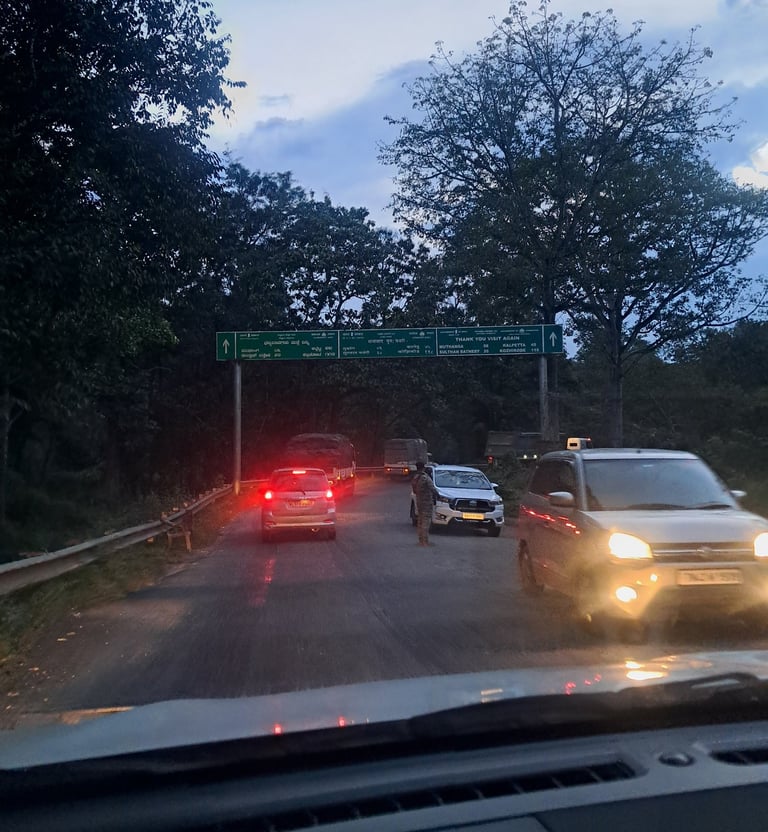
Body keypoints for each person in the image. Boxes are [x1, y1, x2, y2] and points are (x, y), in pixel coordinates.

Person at [411, 461, 438, 546]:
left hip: (419, 501)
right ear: (423, 467)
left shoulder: (415, 477)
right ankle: (425, 541)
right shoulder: (425, 477)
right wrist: (438, 495)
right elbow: (432, 488)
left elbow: (414, 490)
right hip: (427, 501)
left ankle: (420, 540)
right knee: (426, 521)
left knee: (420, 521)